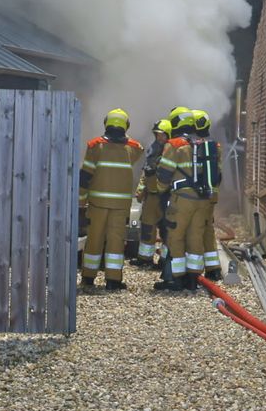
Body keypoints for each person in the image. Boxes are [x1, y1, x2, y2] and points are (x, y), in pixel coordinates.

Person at [78, 108, 143, 291]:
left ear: (106, 124)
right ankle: (113, 280)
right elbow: (138, 147)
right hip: (121, 205)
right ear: (126, 126)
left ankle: (88, 277)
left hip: (98, 203)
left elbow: (85, 176)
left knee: (94, 239)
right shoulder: (133, 149)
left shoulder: (94, 146)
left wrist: (81, 200)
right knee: (116, 240)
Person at [152, 106, 201, 292]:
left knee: (175, 237)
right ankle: (193, 280)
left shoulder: (174, 145)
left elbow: (164, 174)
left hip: (180, 200)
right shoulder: (201, 143)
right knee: (194, 238)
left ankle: (175, 280)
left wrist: (161, 191)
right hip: (201, 200)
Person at [189, 109, 223, 281]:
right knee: (208, 229)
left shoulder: (192, 145)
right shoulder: (214, 145)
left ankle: (193, 271)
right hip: (212, 194)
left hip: (197, 195)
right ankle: (213, 268)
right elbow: (219, 172)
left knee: (194, 229)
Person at [135, 118, 172, 267]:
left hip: (167, 195)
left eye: (162, 134)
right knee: (147, 227)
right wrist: (140, 189)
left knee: (167, 229)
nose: (159, 138)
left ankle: (165, 260)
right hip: (151, 195)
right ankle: (145, 258)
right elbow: (146, 171)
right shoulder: (152, 150)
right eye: (157, 134)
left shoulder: (173, 151)